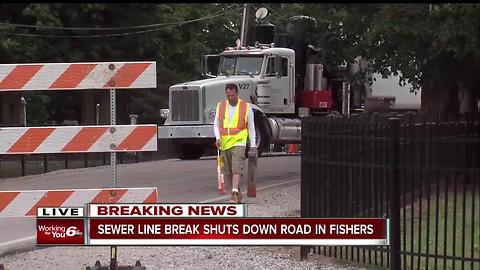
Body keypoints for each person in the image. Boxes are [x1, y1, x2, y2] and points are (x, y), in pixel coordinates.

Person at [214, 83, 257, 203]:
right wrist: (217, 138)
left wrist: (253, 145)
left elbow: (251, 127)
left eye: (232, 95)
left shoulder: (246, 107)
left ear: (237, 93)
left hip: (239, 142)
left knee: (237, 168)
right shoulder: (221, 106)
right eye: (228, 95)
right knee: (228, 172)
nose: (230, 98)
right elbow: (216, 124)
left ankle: (233, 193)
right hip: (224, 143)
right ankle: (237, 191)